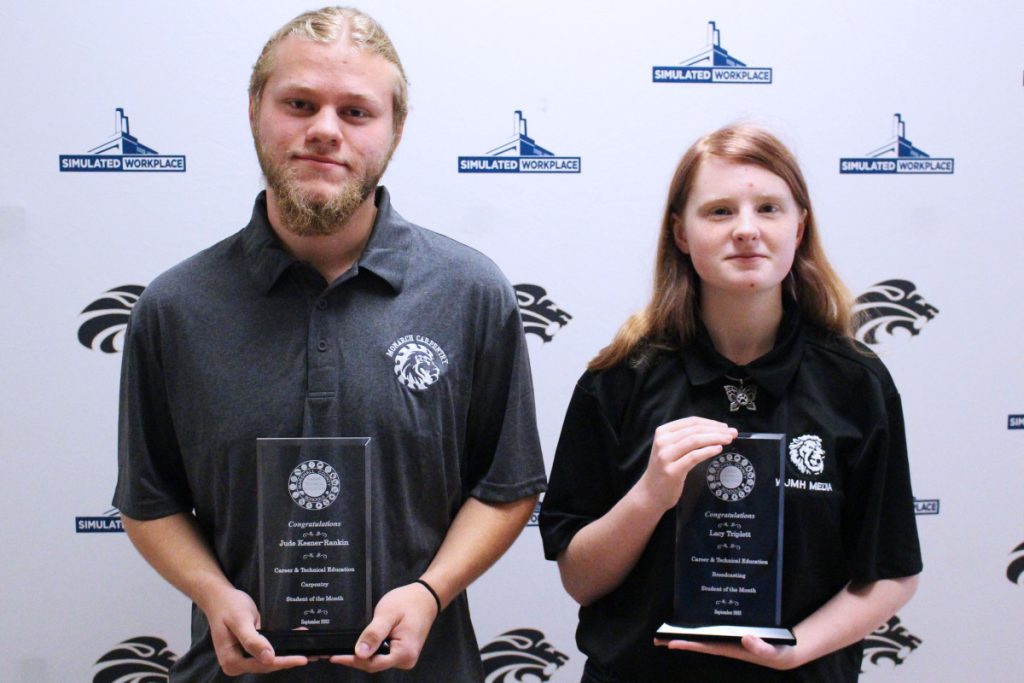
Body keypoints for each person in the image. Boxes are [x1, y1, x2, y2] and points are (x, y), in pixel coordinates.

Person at [113, 7, 546, 681]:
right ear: (256, 108)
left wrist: (429, 592)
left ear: (395, 130)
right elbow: (149, 499)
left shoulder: (471, 293)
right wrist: (210, 591)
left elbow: (507, 485)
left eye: (356, 111)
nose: (324, 130)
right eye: (299, 103)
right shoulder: (174, 307)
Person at [538, 124, 922, 682]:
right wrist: (649, 496)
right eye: (719, 211)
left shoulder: (856, 384)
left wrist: (795, 647)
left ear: (799, 227)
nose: (746, 230)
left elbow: (891, 572)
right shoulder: (619, 380)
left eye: (768, 208)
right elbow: (581, 578)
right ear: (681, 233)